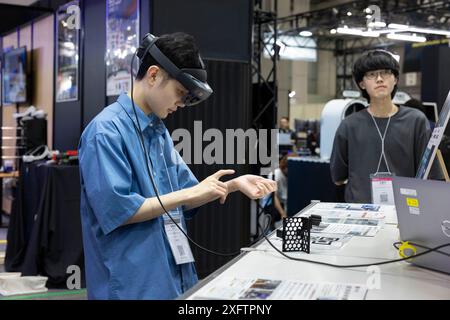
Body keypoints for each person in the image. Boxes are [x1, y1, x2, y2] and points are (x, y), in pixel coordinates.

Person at [78, 32, 277, 300]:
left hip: (172, 277)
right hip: (132, 286)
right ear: (154, 75)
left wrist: (232, 185)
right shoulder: (104, 133)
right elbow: (120, 210)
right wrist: (190, 194)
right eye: (179, 93)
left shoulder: (157, 132)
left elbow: (187, 195)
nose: (181, 104)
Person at [330, 49, 440, 203]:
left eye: (386, 72)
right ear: (362, 83)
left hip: (404, 211)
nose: (379, 79)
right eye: (371, 74)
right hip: (361, 213)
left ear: (395, 79)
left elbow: (430, 174)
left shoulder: (415, 121)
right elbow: (338, 176)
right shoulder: (349, 125)